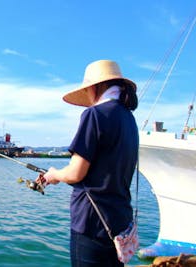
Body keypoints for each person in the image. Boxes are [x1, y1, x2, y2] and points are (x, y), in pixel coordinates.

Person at [37, 60, 139, 267]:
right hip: (119, 221)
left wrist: (54, 174)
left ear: (93, 87)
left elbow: (76, 173)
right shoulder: (129, 118)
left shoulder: (95, 114)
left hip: (91, 222)